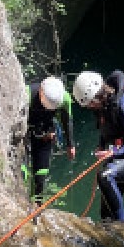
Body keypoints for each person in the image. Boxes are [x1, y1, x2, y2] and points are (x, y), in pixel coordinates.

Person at [72, 69, 124, 223]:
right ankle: (109, 225)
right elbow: (106, 129)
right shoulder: (104, 107)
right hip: (118, 155)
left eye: (89, 105)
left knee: (106, 176)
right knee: (106, 210)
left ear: (94, 99)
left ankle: (123, 226)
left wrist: (112, 152)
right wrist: (101, 146)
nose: (90, 108)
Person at [25, 76, 76, 204]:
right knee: (23, 171)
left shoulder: (64, 98)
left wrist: (71, 145)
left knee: (41, 173)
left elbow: (67, 120)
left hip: (46, 132)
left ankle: (38, 204)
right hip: (27, 131)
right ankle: (22, 199)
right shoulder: (28, 94)